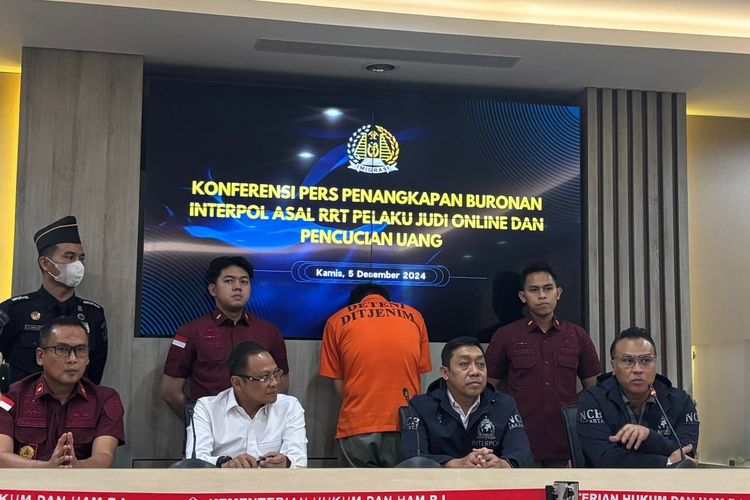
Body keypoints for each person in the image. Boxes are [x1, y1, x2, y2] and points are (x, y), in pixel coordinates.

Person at [485, 262, 601, 466]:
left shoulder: (577, 335)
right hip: (518, 443)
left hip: (566, 443)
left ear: (558, 293)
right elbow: (488, 390)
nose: (542, 296)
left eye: (548, 289)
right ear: (523, 296)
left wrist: (572, 408)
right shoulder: (505, 336)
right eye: (534, 290)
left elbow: (594, 390)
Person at [161, 256, 289, 417]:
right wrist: (199, 422)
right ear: (213, 289)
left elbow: (281, 385)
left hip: (259, 425)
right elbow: (170, 392)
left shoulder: (270, 332)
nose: (238, 287)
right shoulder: (190, 332)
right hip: (209, 426)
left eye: (244, 282)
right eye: (229, 281)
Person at [320, 284, 431, 467]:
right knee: (403, 484)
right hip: (406, 424)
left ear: (354, 304)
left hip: (357, 425)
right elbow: (420, 373)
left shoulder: (336, 320)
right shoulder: (414, 316)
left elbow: (339, 382)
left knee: (359, 485)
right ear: (388, 300)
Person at [0, 316, 124, 467]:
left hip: (81, 481)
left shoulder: (105, 399)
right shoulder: (10, 398)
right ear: (40, 356)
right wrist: (46, 467)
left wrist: (75, 466)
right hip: (26, 481)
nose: (72, 359)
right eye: (62, 350)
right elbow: (1, 456)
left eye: (80, 350)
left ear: (88, 358)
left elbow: (104, 457)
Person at [0, 215, 108, 384]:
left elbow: (94, 374)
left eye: (81, 259)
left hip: (75, 400)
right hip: (24, 400)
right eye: (69, 257)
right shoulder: (14, 311)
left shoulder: (93, 314)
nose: (78, 265)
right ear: (45, 263)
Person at [400, 337, 533, 468]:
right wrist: (454, 464)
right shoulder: (421, 407)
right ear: (445, 373)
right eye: (464, 364)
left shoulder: (505, 405)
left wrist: (502, 464)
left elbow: (523, 454)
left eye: (480, 364)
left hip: (490, 480)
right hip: (440, 481)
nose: (475, 372)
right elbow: (413, 456)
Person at [577, 327, 699, 468]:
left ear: (655, 364)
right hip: (609, 481)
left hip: (668, 481)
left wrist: (650, 437)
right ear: (613, 367)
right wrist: (667, 462)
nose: (637, 369)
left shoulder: (681, 401)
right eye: (628, 361)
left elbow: (686, 454)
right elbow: (605, 458)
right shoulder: (593, 400)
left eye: (646, 360)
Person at [187, 341, 307, 468]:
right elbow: (194, 462)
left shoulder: (289, 406)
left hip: (273, 480)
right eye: (264, 377)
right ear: (237, 383)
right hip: (225, 480)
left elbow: (299, 461)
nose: (274, 383)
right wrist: (226, 464)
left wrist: (287, 463)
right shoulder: (207, 409)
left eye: (276, 374)